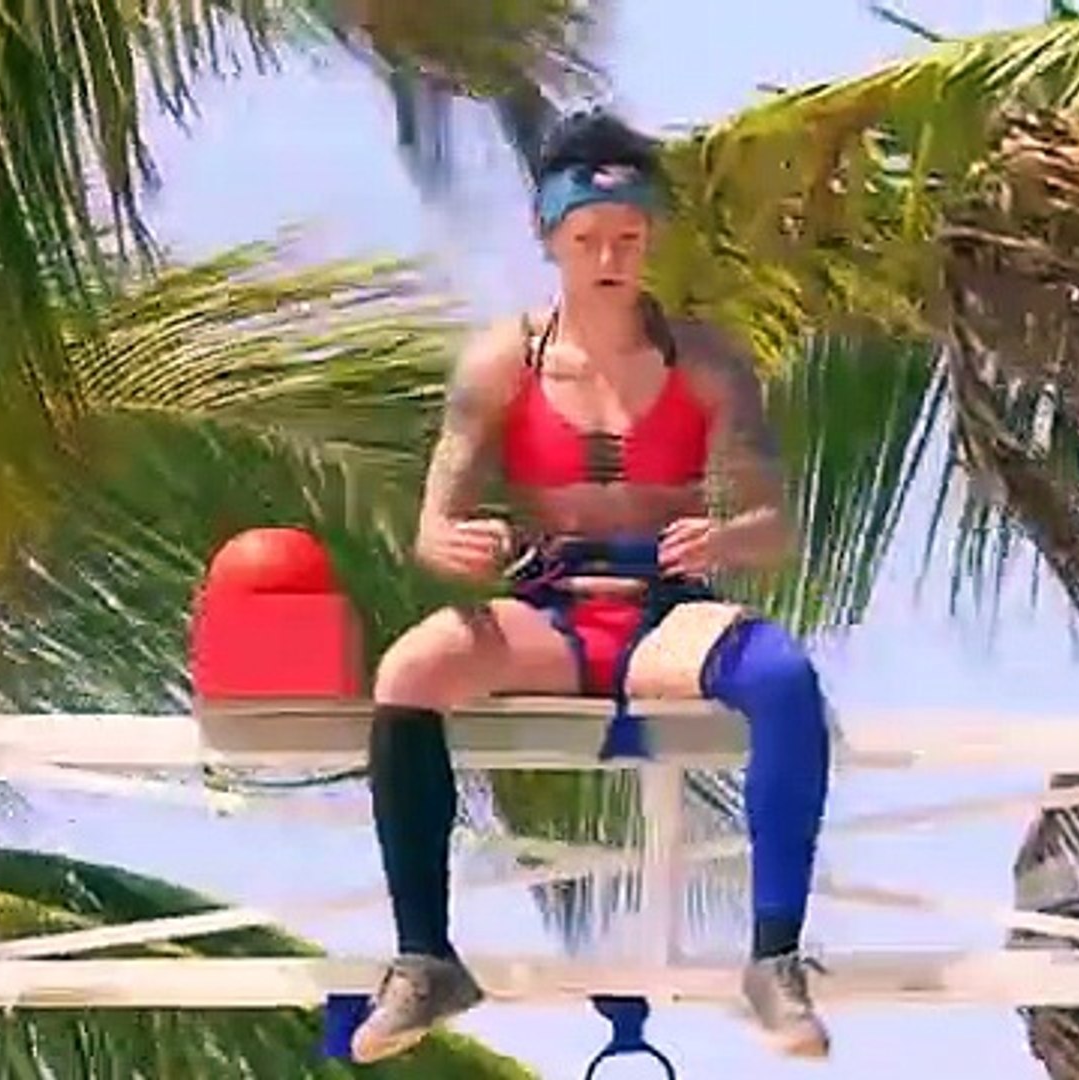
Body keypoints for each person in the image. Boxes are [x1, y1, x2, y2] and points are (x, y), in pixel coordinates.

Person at [352, 108, 834, 1064]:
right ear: (549, 237)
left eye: (627, 239)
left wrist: (726, 535)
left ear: (650, 236)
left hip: (663, 612)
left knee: (783, 678)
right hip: (552, 608)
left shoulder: (706, 363)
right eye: (587, 241)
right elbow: (433, 529)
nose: (609, 259)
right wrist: (458, 544)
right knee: (409, 671)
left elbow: (774, 526)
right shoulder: (503, 362)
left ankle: (774, 960)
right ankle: (425, 959)